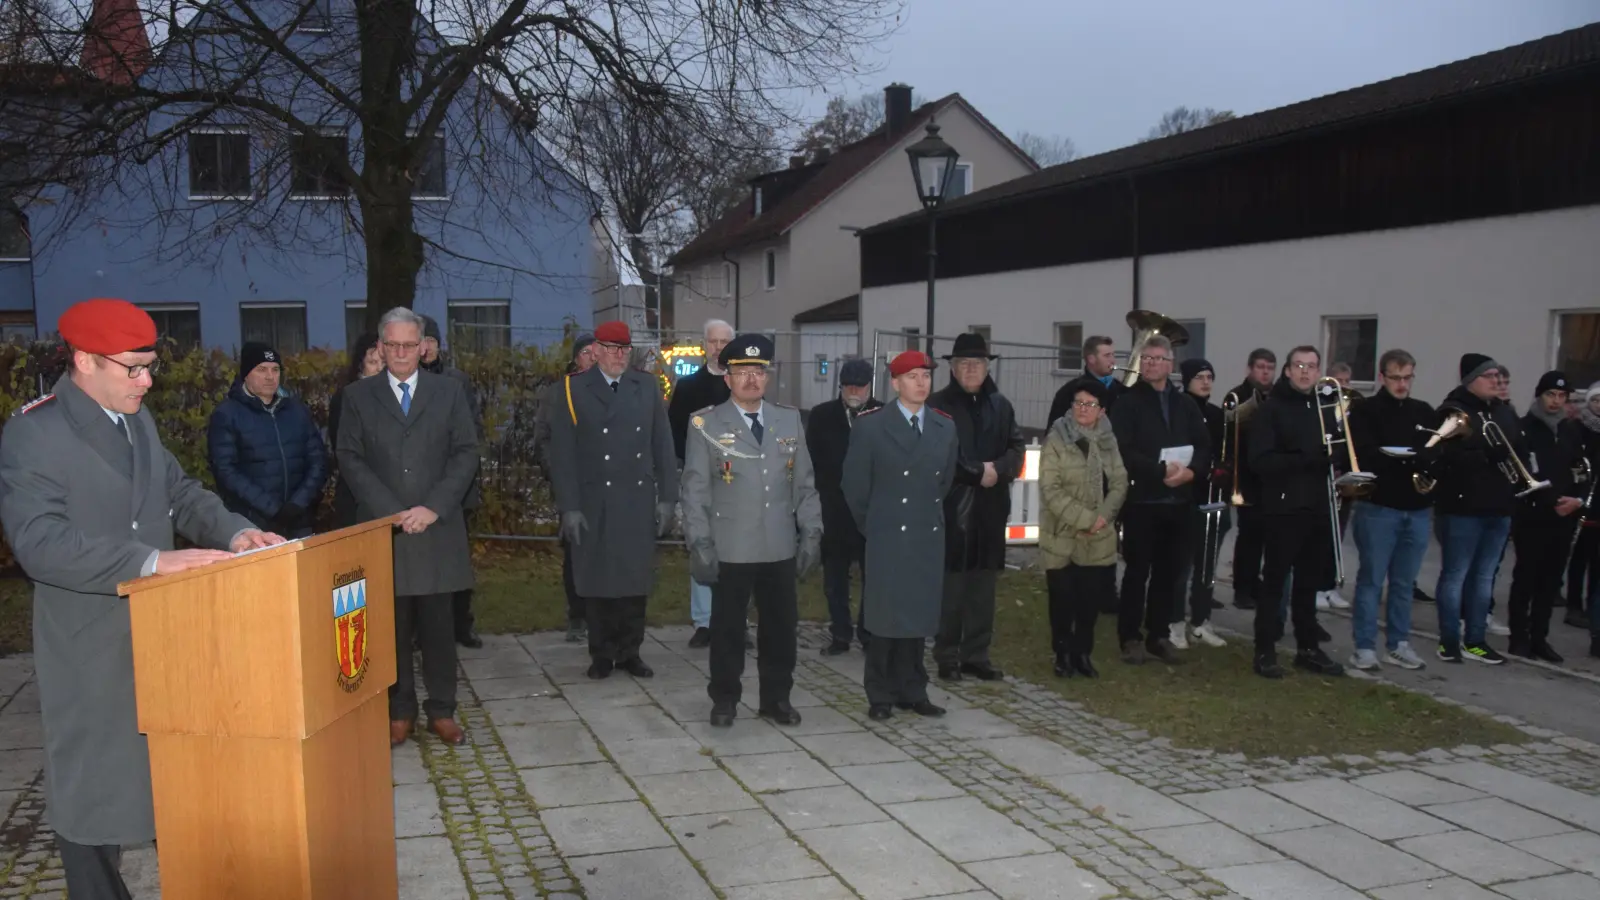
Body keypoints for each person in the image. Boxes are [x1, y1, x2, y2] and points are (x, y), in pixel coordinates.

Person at [0, 298, 280, 900]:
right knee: (93, 792)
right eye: (133, 368)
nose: (147, 381)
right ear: (83, 360)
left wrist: (235, 530)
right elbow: (39, 542)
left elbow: (178, 492)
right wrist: (150, 561)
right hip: (89, 643)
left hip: (163, 634)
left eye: (149, 366)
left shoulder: (136, 418)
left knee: (169, 782)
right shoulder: (34, 432)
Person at [337, 307, 481, 746]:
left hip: (437, 528)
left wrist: (433, 507)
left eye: (408, 344)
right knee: (390, 629)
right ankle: (399, 711)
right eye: (392, 345)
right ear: (380, 347)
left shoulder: (449, 392)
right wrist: (391, 511)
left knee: (439, 629)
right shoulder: (358, 397)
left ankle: (442, 709)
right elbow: (349, 457)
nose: (400, 353)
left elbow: (465, 452)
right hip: (386, 530)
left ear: (423, 347)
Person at [681, 334, 822, 727]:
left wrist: (812, 531)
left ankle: (776, 699)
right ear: (727, 378)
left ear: (768, 376)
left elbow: (805, 484)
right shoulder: (706, 423)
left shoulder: (789, 420)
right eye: (742, 372)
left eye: (758, 372)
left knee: (780, 630)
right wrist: (700, 542)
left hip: (778, 545)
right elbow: (694, 490)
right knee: (727, 631)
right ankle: (724, 699)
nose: (751, 380)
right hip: (731, 546)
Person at [547, 320, 677, 679]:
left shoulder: (647, 386)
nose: (620, 355)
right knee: (598, 578)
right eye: (612, 348)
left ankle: (630, 650)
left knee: (634, 579)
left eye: (625, 349)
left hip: (635, 498)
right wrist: (569, 506)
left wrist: (667, 498)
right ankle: (602, 652)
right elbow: (563, 454)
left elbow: (662, 445)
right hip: (593, 499)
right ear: (597, 350)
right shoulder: (573, 390)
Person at [843, 349, 958, 720]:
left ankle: (914, 689)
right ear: (895, 383)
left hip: (925, 533)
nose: (921, 383)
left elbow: (944, 481)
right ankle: (880, 693)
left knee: (917, 615)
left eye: (926, 376)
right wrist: (876, 523)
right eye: (912, 377)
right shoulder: (871, 425)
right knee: (884, 616)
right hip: (887, 532)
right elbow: (855, 486)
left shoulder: (944, 426)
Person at [927, 333, 1024, 681]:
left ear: (987, 367)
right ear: (952, 368)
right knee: (951, 589)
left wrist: (998, 470)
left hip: (991, 508)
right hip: (952, 508)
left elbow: (1017, 447)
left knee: (983, 587)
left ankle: (976, 654)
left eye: (978, 364)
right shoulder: (937, 405)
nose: (971, 369)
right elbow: (937, 455)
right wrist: (975, 472)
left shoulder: (1001, 405)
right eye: (964, 364)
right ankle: (947, 655)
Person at [1108, 335, 1210, 665]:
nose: (1151, 364)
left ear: (1170, 364)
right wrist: (1158, 470)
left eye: (1157, 359)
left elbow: (1205, 447)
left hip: (1179, 503)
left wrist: (1191, 473)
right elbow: (1122, 449)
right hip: (1143, 502)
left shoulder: (1186, 405)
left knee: (1169, 574)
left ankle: (1158, 635)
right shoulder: (1126, 402)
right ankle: (1129, 638)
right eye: (1146, 359)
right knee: (1138, 573)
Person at [1248, 346, 1345, 679]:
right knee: (1275, 583)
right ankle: (1264, 650)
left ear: (1319, 372)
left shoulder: (1324, 407)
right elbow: (1260, 461)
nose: (1306, 372)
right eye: (1299, 365)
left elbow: (1332, 453)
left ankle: (1307, 648)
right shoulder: (1272, 410)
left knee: (1309, 584)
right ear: (1287, 371)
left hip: (1317, 506)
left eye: (1312, 366)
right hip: (1283, 508)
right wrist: (1307, 459)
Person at [1346, 349, 1436, 671]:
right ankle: (1365, 647)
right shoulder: (1366, 411)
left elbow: (1435, 451)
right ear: (1382, 377)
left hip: (1417, 508)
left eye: (1407, 377)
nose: (1401, 383)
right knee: (1371, 580)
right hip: (1378, 508)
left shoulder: (1424, 411)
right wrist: (1410, 457)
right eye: (1395, 377)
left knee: (1404, 582)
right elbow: (1364, 457)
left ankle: (1398, 644)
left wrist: (1424, 460)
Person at [1432, 353, 1521, 665]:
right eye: (1489, 376)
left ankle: (1476, 639)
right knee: (1456, 574)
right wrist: (1485, 456)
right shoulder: (1452, 410)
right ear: (1471, 380)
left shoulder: (1504, 412)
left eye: (1498, 376)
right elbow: (1442, 457)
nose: (1496, 381)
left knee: (1484, 577)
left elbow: (1516, 451)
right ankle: (1448, 640)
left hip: (1498, 506)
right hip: (1462, 508)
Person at [1039, 378, 1127, 678]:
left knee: (1089, 603)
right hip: (1061, 534)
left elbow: (1119, 482)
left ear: (1101, 410)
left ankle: (1082, 654)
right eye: (1078, 403)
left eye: (1090, 404)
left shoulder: (1109, 440)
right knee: (1062, 600)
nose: (1083, 409)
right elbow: (1050, 490)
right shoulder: (1056, 439)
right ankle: (1062, 653)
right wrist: (1087, 520)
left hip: (1098, 536)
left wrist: (1103, 517)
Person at [206, 342, 328, 538]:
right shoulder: (227, 414)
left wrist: (299, 503)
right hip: (254, 524)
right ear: (246, 374)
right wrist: (272, 508)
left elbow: (318, 459)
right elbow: (226, 471)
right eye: (261, 370)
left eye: (275, 369)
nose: (270, 377)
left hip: (299, 520)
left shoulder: (296, 410)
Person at [805, 356, 882, 655]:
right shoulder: (822, 416)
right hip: (833, 509)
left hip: (870, 512)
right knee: (834, 578)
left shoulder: (882, 414)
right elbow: (811, 461)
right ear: (840, 386)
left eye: (860, 387)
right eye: (848, 386)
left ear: (868, 387)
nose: (854, 392)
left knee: (873, 575)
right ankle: (840, 633)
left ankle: (868, 631)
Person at [1507, 371, 1584, 663]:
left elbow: (1581, 469)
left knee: (1550, 581)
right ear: (1540, 395)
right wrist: (1550, 500)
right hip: (1533, 515)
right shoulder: (1524, 428)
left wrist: (1577, 499)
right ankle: (1519, 637)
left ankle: (1540, 637)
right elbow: (1522, 473)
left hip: (1564, 517)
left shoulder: (1569, 430)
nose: (1556, 401)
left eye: (1562, 396)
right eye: (1551, 395)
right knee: (1526, 577)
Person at [420, 315, 486, 650]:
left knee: (458, 561)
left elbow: (472, 431)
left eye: (432, 340)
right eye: (422, 340)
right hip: (418, 489)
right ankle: (422, 631)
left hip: (456, 488)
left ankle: (462, 624)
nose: (427, 347)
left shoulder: (456, 381)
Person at [667, 320, 734, 648]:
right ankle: (705, 621)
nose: (718, 347)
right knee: (701, 546)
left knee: (739, 550)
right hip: (700, 481)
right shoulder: (688, 387)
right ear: (704, 344)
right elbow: (674, 432)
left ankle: (734, 619)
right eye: (713, 341)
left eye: (724, 341)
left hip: (739, 480)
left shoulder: (744, 383)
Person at [536, 332, 597, 642]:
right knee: (575, 552)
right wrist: (557, 471)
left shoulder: (612, 391)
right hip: (571, 487)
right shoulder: (558, 393)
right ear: (576, 358)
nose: (593, 356)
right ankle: (577, 615)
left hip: (605, 488)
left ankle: (603, 615)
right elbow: (543, 438)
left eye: (597, 351)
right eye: (586, 352)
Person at [1171, 358, 1228, 649]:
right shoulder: (1180, 408)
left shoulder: (1218, 414)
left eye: (1209, 376)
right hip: (1187, 499)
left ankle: (1201, 621)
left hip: (1213, 501)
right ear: (1187, 380)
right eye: (1199, 377)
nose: (1206, 382)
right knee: (1181, 567)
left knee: (1207, 568)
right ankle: (1175, 622)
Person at [1226, 348, 1276, 611]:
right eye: (1260, 367)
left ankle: (1258, 584)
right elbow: (1228, 432)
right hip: (1247, 476)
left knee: (1269, 537)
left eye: (1270, 367)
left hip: (1272, 478)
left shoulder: (1279, 396)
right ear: (1249, 369)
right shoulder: (1237, 395)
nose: (1265, 372)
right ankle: (1242, 588)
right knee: (1249, 537)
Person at [329, 332, 384, 528]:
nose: (379, 369)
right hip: (356, 496)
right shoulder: (346, 398)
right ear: (360, 364)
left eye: (384, 363)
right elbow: (344, 451)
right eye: (372, 362)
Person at [1569, 384, 1600, 631]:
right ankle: (1573, 604)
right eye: (1596, 400)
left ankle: (1593, 605)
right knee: (1581, 554)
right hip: (1587, 497)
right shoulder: (1579, 428)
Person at [1048, 335, 1125, 424]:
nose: (1113, 360)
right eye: (1107, 356)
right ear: (1091, 359)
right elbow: (1054, 430)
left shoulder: (1119, 388)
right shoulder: (1069, 391)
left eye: (1113, 355)